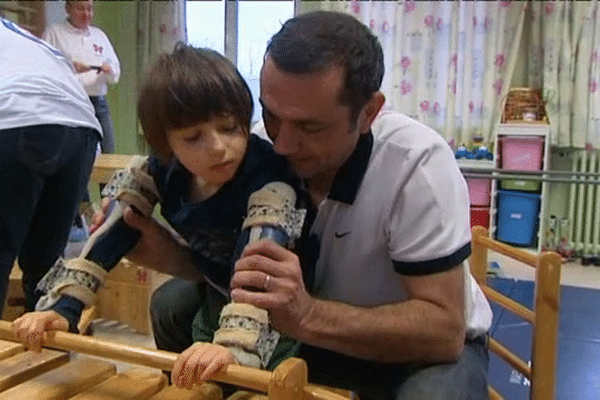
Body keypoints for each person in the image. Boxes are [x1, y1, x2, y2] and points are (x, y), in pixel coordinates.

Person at [146, 11, 493, 399]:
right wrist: (171, 255)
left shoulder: (416, 165)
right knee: (173, 302)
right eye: (272, 115)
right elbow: (226, 267)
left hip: (414, 352)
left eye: (310, 127)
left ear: (368, 113)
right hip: (310, 334)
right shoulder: (257, 150)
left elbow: (443, 331)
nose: (282, 144)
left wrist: (308, 315)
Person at [11, 44, 311, 388]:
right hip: (216, 287)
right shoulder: (158, 170)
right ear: (165, 144)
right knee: (182, 338)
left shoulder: (269, 178)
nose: (217, 147)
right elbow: (112, 232)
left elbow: (261, 269)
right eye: (193, 137)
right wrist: (62, 308)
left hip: (274, 306)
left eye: (229, 127)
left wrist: (233, 346)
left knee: (240, 378)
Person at [0, 18, 101, 315]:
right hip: (81, 126)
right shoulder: (20, 35)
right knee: (46, 261)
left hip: (18, 117)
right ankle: (47, 351)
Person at [43, 0, 120, 154]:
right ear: (68, 8)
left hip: (98, 103)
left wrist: (109, 70)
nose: (86, 14)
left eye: (89, 9)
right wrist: (70, 67)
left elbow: (115, 72)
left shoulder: (99, 36)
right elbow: (44, 69)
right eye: (80, 9)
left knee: (109, 151)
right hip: (69, 102)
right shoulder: (54, 33)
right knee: (73, 155)